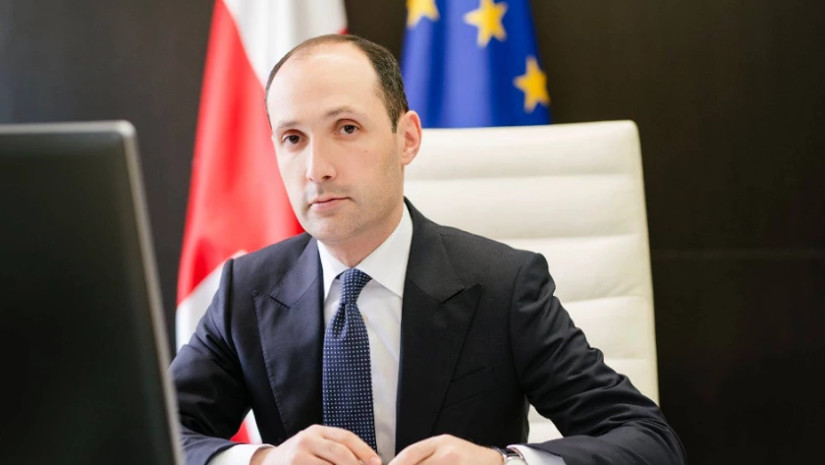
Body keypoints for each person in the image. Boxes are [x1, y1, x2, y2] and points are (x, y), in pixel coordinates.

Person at [171, 34, 685, 465]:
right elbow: (156, 432)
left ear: (408, 139)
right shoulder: (247, 290)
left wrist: (502, 464)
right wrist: (262, 461)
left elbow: (647, 441)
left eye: (346, 128)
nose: (316, 169)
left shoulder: (504, 286)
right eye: (292, 138)